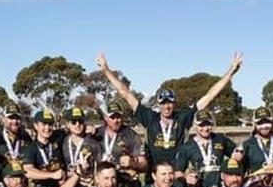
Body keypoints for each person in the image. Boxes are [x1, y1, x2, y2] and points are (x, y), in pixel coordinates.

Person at [96, 51, 243, 168]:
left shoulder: (183, 117)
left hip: (176, 175)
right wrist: (106, 71)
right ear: (158, 104)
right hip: (153, 175)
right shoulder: (149, 117)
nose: (167, 106)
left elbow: (209, 96)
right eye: (163, 103)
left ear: (174, 103)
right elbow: (126, 93)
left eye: (170, 102)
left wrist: (231, 71)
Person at [174, 109, 242, 187]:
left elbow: (238, 151)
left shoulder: (220, 139)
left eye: (208, 124)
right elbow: (177, 172)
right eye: (201, 125)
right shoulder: (186, 147)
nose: (205, 129)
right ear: (195, 126)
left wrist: (238, 154)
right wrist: (187, 177)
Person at [93, 100, 147, 187]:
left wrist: (132, 163)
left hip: (126, 186)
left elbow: (144, 165)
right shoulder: (96, 133)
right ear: (105, 118)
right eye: (112, 117)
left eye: (118, 117)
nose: (116, 120)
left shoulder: (131, 135)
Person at [0, 102, 31, 182]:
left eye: (17, 118)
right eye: (11, 118)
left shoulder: (26, 137)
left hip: (20, 181)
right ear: (3, 119)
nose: (14, 121)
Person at [23, 109, 66, 187]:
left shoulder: (59, 138)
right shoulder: (31, 148)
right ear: (36, 126)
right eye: (44, 124)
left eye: (50, 124)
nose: (47, 128)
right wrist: (52, 175)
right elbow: (28, 171)